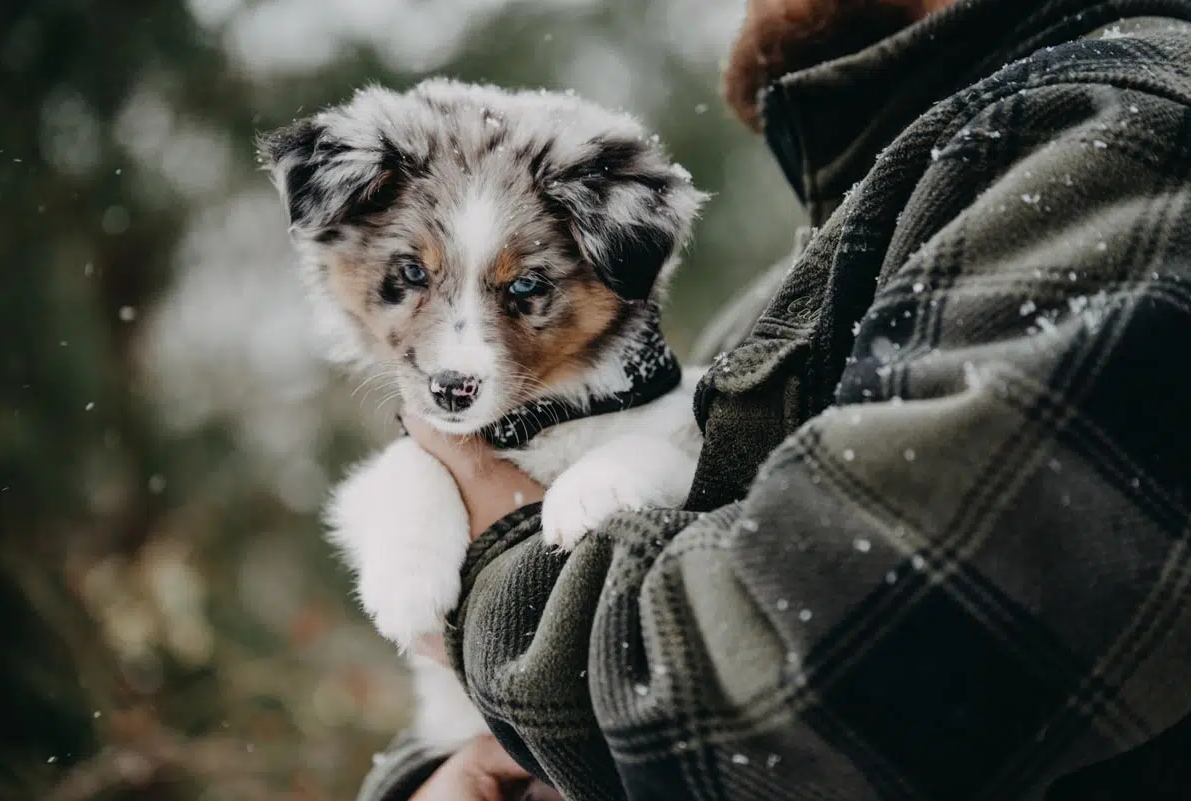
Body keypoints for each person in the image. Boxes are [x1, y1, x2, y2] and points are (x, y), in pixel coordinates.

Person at [359, 0, 1191, 798]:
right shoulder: (797, 289)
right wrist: (445, 776)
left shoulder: (1127, 142)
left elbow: (826, 692)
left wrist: (496, 565)